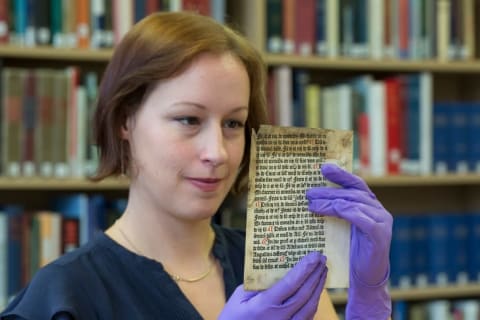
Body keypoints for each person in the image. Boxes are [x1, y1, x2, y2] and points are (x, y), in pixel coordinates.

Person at [0, 11, 392, 320]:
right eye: (188, 120)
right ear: (125, 120)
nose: (217, 152)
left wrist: (370, 296)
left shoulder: (276, 269)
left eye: (233, 124)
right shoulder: (63, 298)